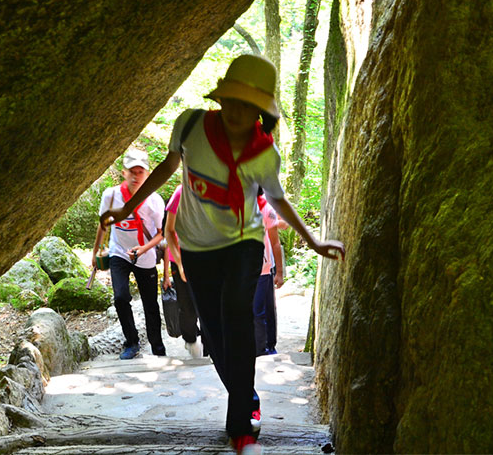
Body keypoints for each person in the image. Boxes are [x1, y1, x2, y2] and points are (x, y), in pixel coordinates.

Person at [101, 54, 345, 455]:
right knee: (214, 336)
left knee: (236, 314)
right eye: (231, 100)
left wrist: (314, 241)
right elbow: (167, 167)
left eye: (247, 105)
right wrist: (127, 208)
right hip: (197, 248)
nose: (236, 111)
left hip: (242, 243)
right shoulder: (191, 126)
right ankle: (247, 399)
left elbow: (277, 201)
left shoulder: (264, 153)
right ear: (220, 98)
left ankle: (241, 430)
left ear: (260, 111)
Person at [93, 148, 166, 360]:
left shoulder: (154, 200)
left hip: (145, 256)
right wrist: (95, 252)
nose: (136, 176)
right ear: (123, 172)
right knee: (120, 297)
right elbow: (103, 224)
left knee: (150, 304)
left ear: (147, 174)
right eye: (132, 171)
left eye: (140, 172)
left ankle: (157, 347)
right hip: (119, 253)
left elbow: (161, 234)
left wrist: (143, 249)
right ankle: (131, 342)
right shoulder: (111, 195)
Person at [163, 184, 205, 357]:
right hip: (182, 258)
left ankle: (211, 350)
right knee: (188, 308)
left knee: (209, 307)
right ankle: (191, 339)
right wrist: (180, 265)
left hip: (208, 258)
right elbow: (168, 231)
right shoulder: (181, 192)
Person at [253, 193, 288, 356]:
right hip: (246, 267)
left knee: (263, 309)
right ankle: (260, 347)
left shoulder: (267, 203)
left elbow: (284, 225)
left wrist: (279, 273)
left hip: (265, 266)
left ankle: (266, 347)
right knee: (256, 309)